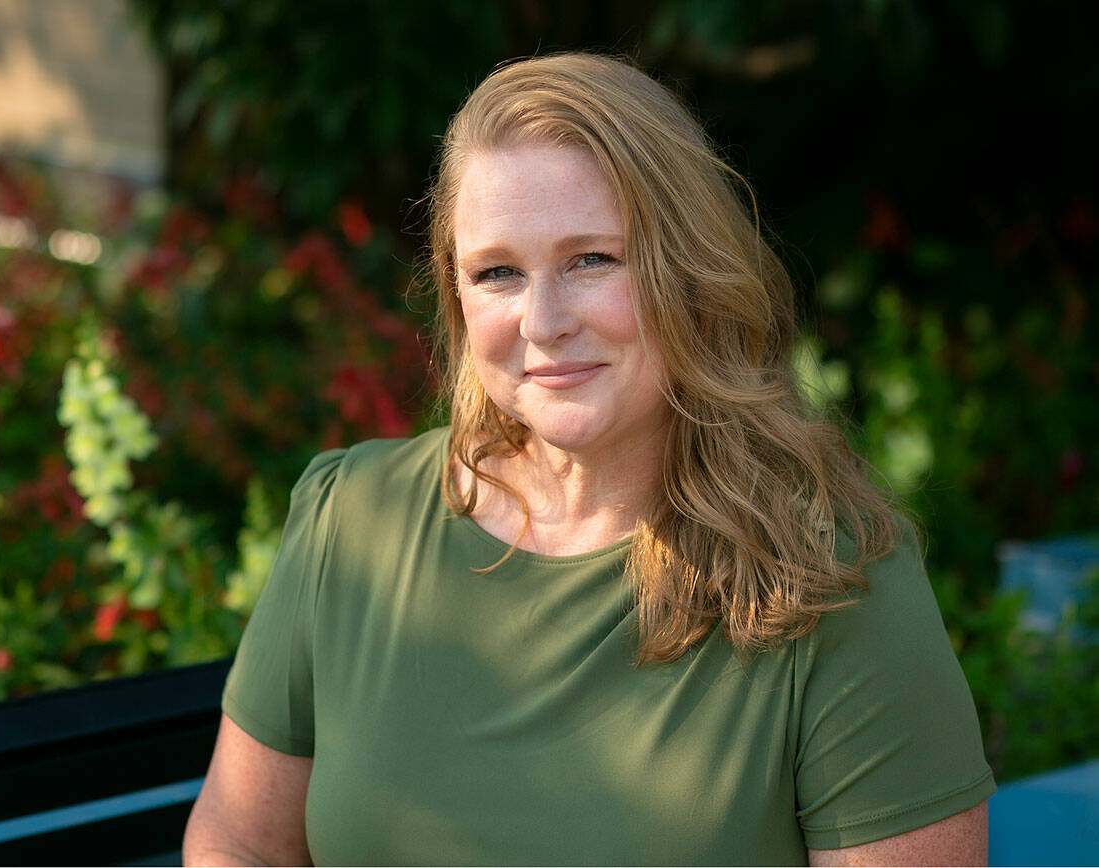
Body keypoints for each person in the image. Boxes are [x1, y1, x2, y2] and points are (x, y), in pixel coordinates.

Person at [183, 52, 994, 866]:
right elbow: (239, 843)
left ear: (692, 272)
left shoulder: (834, 584)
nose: (542, 320)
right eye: (497, 272)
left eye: (591, 260)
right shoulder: (350, 519)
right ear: (457, 298)